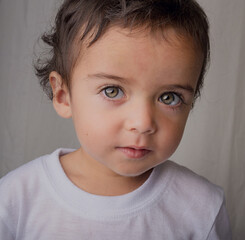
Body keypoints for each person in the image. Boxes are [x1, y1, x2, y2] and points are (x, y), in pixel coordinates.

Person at [0, 0, 231, 239]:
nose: (142, 123)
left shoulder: (203, 208)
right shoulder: (15, 200)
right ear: (63, 95)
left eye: (169, 97)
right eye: (112, 91)